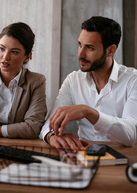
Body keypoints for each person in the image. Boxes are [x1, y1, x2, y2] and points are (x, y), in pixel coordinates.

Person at [40, 16, 137, 150]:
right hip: (82, 157)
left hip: (122, 160)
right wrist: (51, 136)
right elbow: (49, 123)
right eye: (80, 45)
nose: (81, 54)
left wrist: (88, 112)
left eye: (90, 48)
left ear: (111, 50)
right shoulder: (73, 80)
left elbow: (131, 134)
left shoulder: (133, 80)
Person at [0, 22, 47, 138]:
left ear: (27, 56)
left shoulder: (36, 82)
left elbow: (32, 128)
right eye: (2, 49)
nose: (5, 57)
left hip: (21, 147)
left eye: (14, 52)